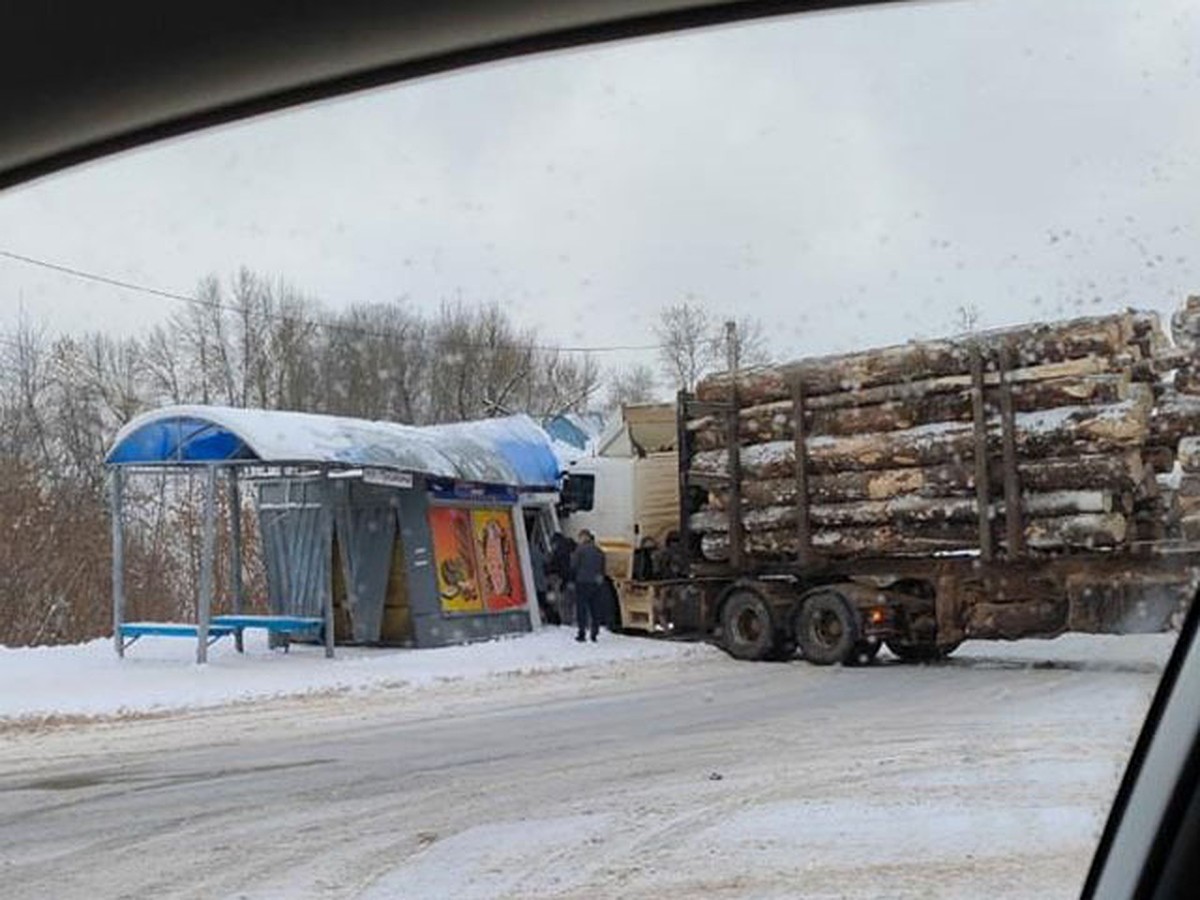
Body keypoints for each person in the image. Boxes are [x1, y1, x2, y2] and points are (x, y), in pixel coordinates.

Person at [570, 529, 606, 643]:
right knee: (595, 608)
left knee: (582, 609)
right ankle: (594, 633)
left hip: (582, 582)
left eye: (580, 537)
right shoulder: (599, 551)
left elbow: (574, 565)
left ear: (584, 537)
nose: (579, 540)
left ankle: (582, 633)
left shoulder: (579, 550)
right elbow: (603, 567)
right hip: (596, 582)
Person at [529, 538, 558, 625]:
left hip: (532, 583)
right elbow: (546, 560)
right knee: (545, 602)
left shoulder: (525, 552)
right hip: (542, 581)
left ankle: (541, 619)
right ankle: (551, 619)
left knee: (537, 602)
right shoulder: (536, 551)